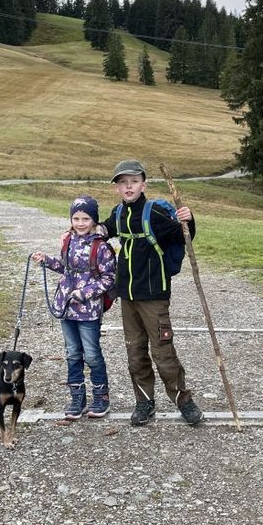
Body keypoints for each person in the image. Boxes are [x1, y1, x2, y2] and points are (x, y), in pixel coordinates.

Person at [101, 159, 203, 428]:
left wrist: (188, 221)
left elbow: (183, 235)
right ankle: (144, 402)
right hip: (128, 298)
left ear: (143, 184)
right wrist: (89, 230)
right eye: (123, 183)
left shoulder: (154, 212)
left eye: (133, 181)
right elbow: (106, 228)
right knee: (135, 353)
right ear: (117, 189)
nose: (128, 187)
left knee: (163, 352)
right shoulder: (119, 214)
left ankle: (184, 401)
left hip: (154, 297)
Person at [32, 195, 116, 420]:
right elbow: (65, 268)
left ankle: (101, 396)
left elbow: (109, 278)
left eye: (86, 218)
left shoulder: (102, 247)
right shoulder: (68, 241)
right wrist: (47, 261)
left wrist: (85, 293)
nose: (80, 223)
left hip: (88, 310)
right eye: (76, 218)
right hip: (66, 307)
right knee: (72, 353)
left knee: (92, 354)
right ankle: (77, 397)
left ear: (94, 220)